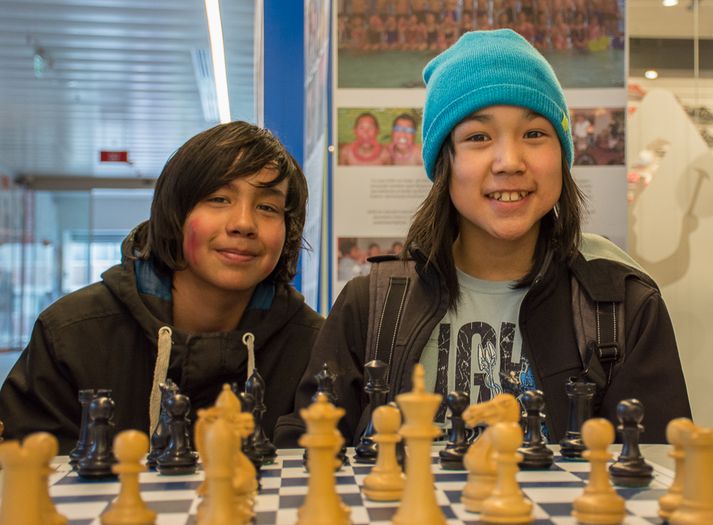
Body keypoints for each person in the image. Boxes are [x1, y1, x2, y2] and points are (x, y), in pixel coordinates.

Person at [274, 29, 690, 447]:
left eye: (534, 134)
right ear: (444, 162)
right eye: (478, 137)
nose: (509, 161)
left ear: (562, 156)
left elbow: (655, 469)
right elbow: (307, 454)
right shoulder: (370, 305)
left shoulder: (622, 306)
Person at [0, 121, 324, 454]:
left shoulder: (315, 346)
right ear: (174, 213)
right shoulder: (72, 335)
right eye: (218, 199)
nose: (243, 224)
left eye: (268, 207)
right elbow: (22, 471)